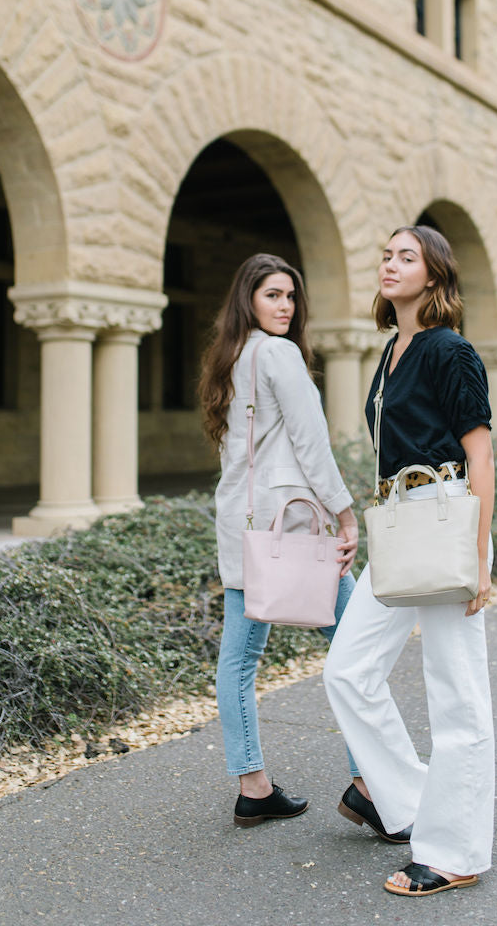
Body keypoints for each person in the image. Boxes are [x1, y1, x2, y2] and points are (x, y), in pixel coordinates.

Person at [323, 224, 495, 897]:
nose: (390, 264)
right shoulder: (392, 349)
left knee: (457, 693)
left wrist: (480, 557)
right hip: (402, 525)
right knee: (349, 669)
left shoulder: (450, 352)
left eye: (406, 256)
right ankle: (409, 803)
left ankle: (454, 851)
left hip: (451, 521)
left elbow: (479, 453)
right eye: (386, 254)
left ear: (434, 274)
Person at [198, 253, 360, 828]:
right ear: (249, 300)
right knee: (358, 643)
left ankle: (253, 787)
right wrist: (345, 514)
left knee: (239, 659)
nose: (285, 306)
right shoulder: (281, 354)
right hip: (293, 529)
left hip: (246, 530)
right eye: (272, 295)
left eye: (290, 296)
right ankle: (369, 782)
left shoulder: (231, 357)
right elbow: (312, 442)